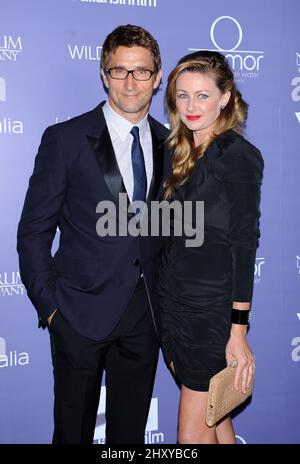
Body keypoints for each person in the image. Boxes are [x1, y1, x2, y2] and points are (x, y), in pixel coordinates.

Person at [17, 24, 170, 444]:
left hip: (145, 320)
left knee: (129, 440)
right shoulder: (65, 139)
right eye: (119, 71)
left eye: (141, 71)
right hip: (78, 316)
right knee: (72, 435)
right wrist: (51, 309)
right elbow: (33, 232)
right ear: (104, 74)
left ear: (157, 77)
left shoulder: (171, 143)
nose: (130, 82)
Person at [159, 50, 263, 444]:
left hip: (209, 317)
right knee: (218, 421)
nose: (191, 106)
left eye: (203, 95)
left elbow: (244, 243)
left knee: (191, 437)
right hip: (175, 310)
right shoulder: (180, 154)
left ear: (225, 96)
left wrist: (238, 331)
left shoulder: (237, 156)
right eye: (182, 96)